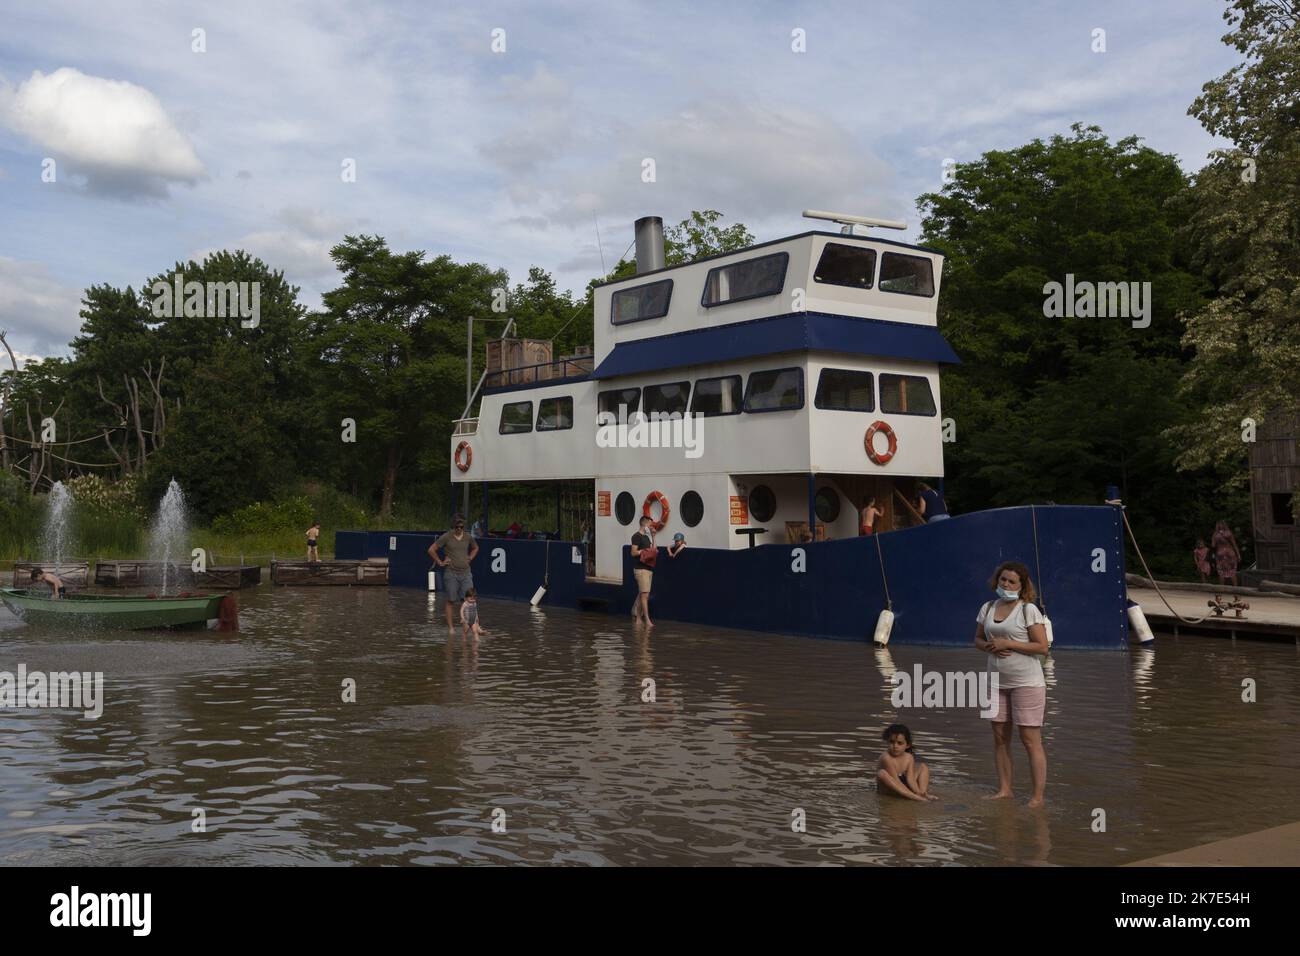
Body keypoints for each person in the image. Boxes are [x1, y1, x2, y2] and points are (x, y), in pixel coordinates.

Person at [974, 560, 1049, 808]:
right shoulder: (987, 607)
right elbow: (977, 639)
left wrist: (1009, 644)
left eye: (1011, 581)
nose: (1005, 584)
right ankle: (1005, 790)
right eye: (1003, 579)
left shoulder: (1028, 610)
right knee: (999, 737)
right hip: (995, 681)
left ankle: (1037, 798)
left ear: (1021, 585)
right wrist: (988, 646)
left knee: (1029, 740)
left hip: (1027, 682)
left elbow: (1042, 647)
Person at [429, 515, 479, 629]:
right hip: (451, 573)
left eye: (461, 527)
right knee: (451, 600)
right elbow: (431, 549)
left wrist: (470, 557)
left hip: (466, 572)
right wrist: (440, 562)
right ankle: (451, 628)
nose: (459, 529)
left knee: (469, 600)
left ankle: (472, 627)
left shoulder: (468, 537)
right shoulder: (447, 536)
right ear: (454, 527)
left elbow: (476, 548)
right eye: (457, 527)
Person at [876, 724, 937, 801]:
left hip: (903, 787)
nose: (895, 746)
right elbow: (896, 781)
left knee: (922, 766)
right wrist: (914, 796)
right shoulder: (886, 758)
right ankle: (916, 797)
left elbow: (910, 779)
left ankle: (923, 793)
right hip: (890, 790)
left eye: (900, 743)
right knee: (882, 773)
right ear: (887, 742)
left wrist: (917, 792)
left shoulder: (909, 757)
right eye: (892, 742)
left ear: (907, 745)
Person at [630, 515, 657, 627]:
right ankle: (646, 619)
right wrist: (643, 551)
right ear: (644, 524)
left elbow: (654, 550)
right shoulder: (636, 536)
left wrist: (654, 536)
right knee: (644, 595)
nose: (651, 527)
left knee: (643, 594)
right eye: (650, 525)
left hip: (649, 568)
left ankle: (636, 616)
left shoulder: (647, 537)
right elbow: (633, 553)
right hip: (641, 569)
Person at [1211, 520, 1241, 587]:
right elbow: (1234, 544)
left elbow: (1213, 545)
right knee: (1232, 572)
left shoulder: (1215, 534)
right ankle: (1235, 589)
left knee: (1221, 572)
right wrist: (1238, 555)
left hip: (1220, 554)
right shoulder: (1228, 533)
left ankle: (1222, 589)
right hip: (1230, 553)